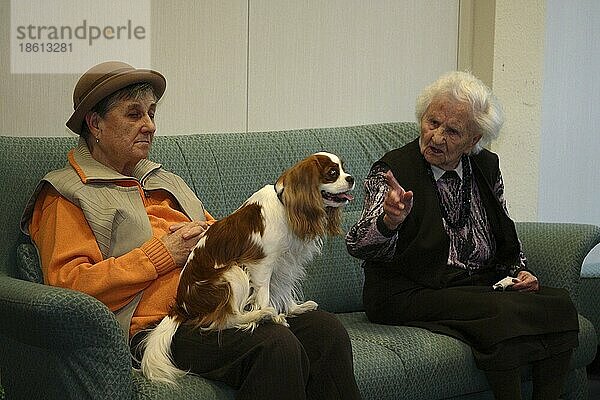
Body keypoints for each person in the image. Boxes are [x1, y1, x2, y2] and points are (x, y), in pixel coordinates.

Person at [21, 61, 361, 400]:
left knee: (324, 330)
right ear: (95, 123)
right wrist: (159, 256)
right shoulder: (67, 194)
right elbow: (70, 289)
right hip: (157, 327)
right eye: (134, 114)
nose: (149, 126)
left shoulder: (166, 180)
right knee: (274, 343)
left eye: (152, 114)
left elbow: (222, 240)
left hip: (216, 306)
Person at [345, 71, 579, 400]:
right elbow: (357, 244)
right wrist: (389, 221)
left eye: (452, 131)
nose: (437, 137)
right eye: (432, 122)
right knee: (501, 312)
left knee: (558, 303)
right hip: (408, 290)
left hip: (475, 283)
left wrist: (518, 271)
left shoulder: (485, 167)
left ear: (472, 141)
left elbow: (503, 228)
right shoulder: (393, 169)